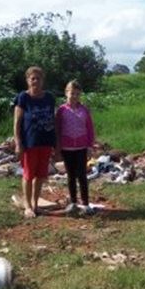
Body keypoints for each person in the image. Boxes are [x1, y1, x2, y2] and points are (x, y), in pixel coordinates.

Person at [13, 66, 56, 218]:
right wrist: (18, 143)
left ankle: (36, 204)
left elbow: (53, 120)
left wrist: (55, 144)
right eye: (33, 78)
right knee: (28, 175)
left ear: (43, 80)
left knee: (40, 175)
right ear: (27, 80)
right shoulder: (23, 98)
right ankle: (27, 206)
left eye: (38, 78)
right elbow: (17, 123)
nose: (35, 81)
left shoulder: (49, 98)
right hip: (29, 143)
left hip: (45, 142)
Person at [55, 79, 95, 215]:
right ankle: (73, 203)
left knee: (82, 175)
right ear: (66, 93)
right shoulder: (61, 110)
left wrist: (90, 146)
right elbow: (57, 129)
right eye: (72, 93)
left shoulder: (84, 110)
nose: (74, 96)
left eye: (77, 94)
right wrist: (58, 147)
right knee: (71, 175)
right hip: (67, 148)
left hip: (81, 147)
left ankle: (86, 204)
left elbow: (90, 128)